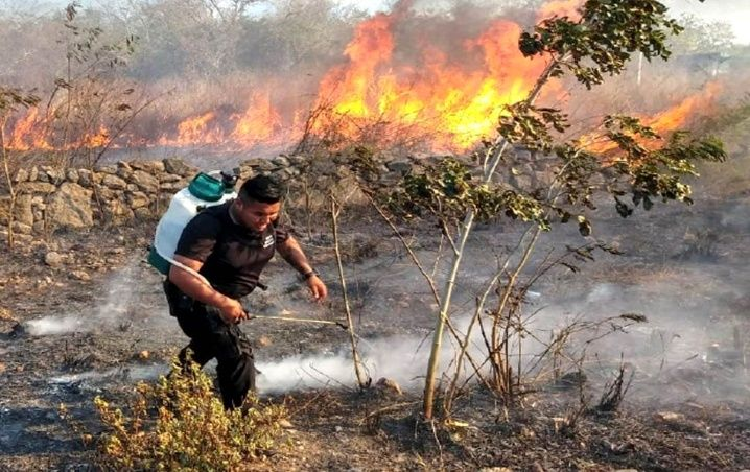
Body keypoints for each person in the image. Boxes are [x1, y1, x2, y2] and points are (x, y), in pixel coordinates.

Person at [163, 174, 328, 409]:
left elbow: (285, 241)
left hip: (228, 298)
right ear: (239, 204)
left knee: (209, 343)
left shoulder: (269, 219)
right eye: (259, 214)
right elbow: (180, 274)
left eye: (272, 214)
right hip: (193, 298)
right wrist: (222, 302)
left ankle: (172, 387)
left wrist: (309, 274)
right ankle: (241, 421)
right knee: (236, 352)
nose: (266, 221)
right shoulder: (209, 224)